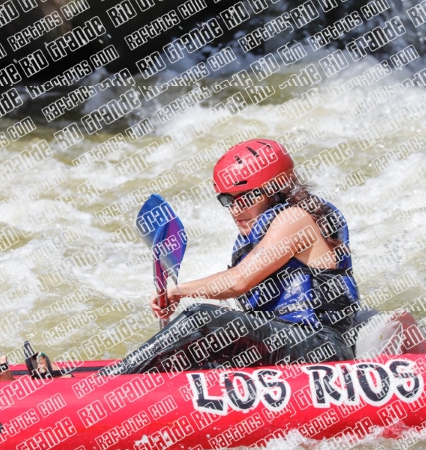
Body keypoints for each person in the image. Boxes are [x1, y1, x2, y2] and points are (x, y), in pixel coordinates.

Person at [100, 138, 385, 376]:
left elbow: (238, 282)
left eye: (246, 197)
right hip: (287, 344)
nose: (236, 209)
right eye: (227, 200)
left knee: (201, 319)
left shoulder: (295, 219)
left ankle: (107, 388)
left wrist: (177, 291)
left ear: (277, 190)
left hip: (320, 348)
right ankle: (127, 380)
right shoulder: (257, 232)